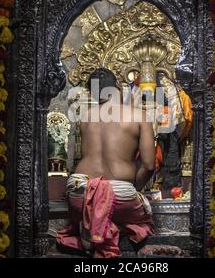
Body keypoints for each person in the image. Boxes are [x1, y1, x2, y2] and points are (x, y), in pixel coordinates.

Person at [56, 68, 156, 258]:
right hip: (119, 195)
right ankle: (110, 229)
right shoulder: (139, 115)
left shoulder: (84, 118)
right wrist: (135, 188)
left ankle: (91, 227)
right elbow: (149, 165)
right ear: (118, 86)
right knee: (143, 216)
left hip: (80, 191)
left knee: (95, 204)